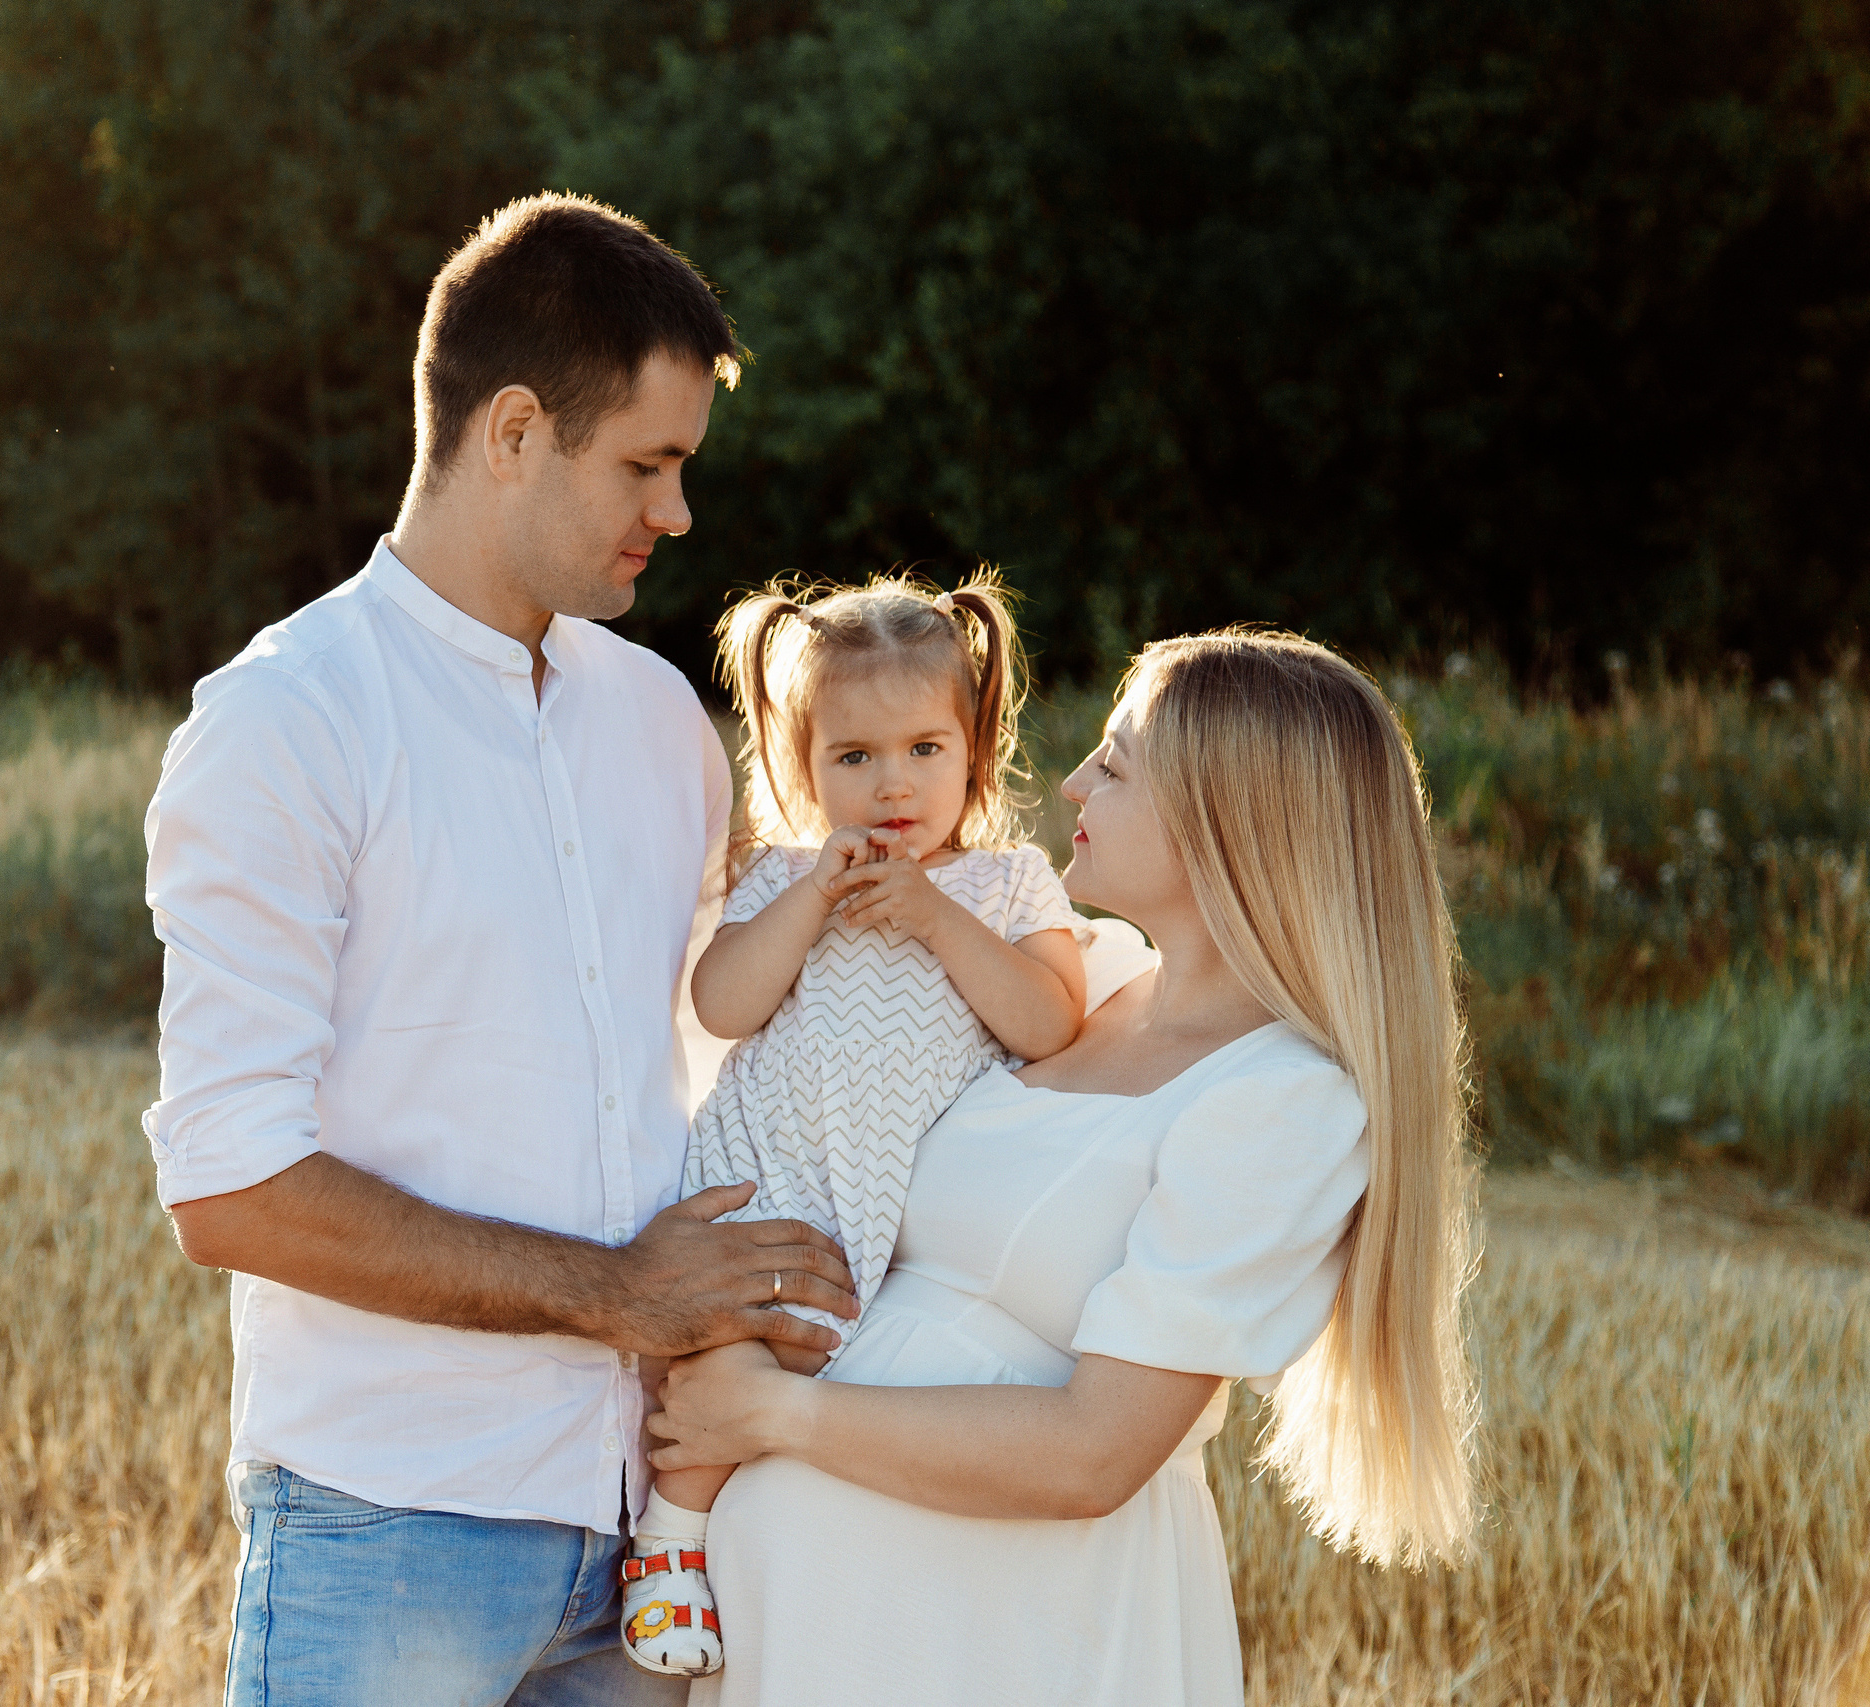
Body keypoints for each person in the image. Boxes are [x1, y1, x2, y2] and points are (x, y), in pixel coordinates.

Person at [141, 192, 862, 1707]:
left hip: (657, 1533)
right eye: (647, 465)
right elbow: (230, 1184)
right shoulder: (287, 721)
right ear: (515, 427)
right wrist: (618, 1292)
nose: (677, 514)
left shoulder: (669, 726)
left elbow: (732, 1049)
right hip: (389, 1519)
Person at [647, 629, 1481, 1707]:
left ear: (1227, 819)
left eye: (1118, 763)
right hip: (812, 1622)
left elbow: (1096, 1453)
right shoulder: (1090, 980)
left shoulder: (1282, 1099)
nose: (1076, 777)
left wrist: (771, 1419)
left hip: (1007, 1637)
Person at [618, 572, 1101, 1677]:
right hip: (771, 1168)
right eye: (853, 758)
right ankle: (671, 1541)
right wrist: (805, 902)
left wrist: (933, 920)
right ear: (801, 765)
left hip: (893, 1199)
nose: (894, 786)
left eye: (925, 749)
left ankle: (792, 1582)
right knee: (729, 1344)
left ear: (974, 746)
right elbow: (722, 1004)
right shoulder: (785, 875)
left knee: (832, 1379)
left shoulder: (1005, 883)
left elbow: (1048, 1023)